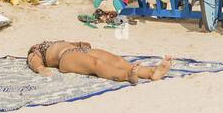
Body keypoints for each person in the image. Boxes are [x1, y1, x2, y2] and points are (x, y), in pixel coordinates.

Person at [27, 39, 173, 84]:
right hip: (64, 58)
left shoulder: (55, 42)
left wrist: (80, 43)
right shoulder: (36, 51)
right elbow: (33, 60)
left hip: (78, 50)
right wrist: (41, 69)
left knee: (117, 60)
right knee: (97, 64)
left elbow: (81, 43)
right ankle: (126, 75)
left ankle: (151, 72)